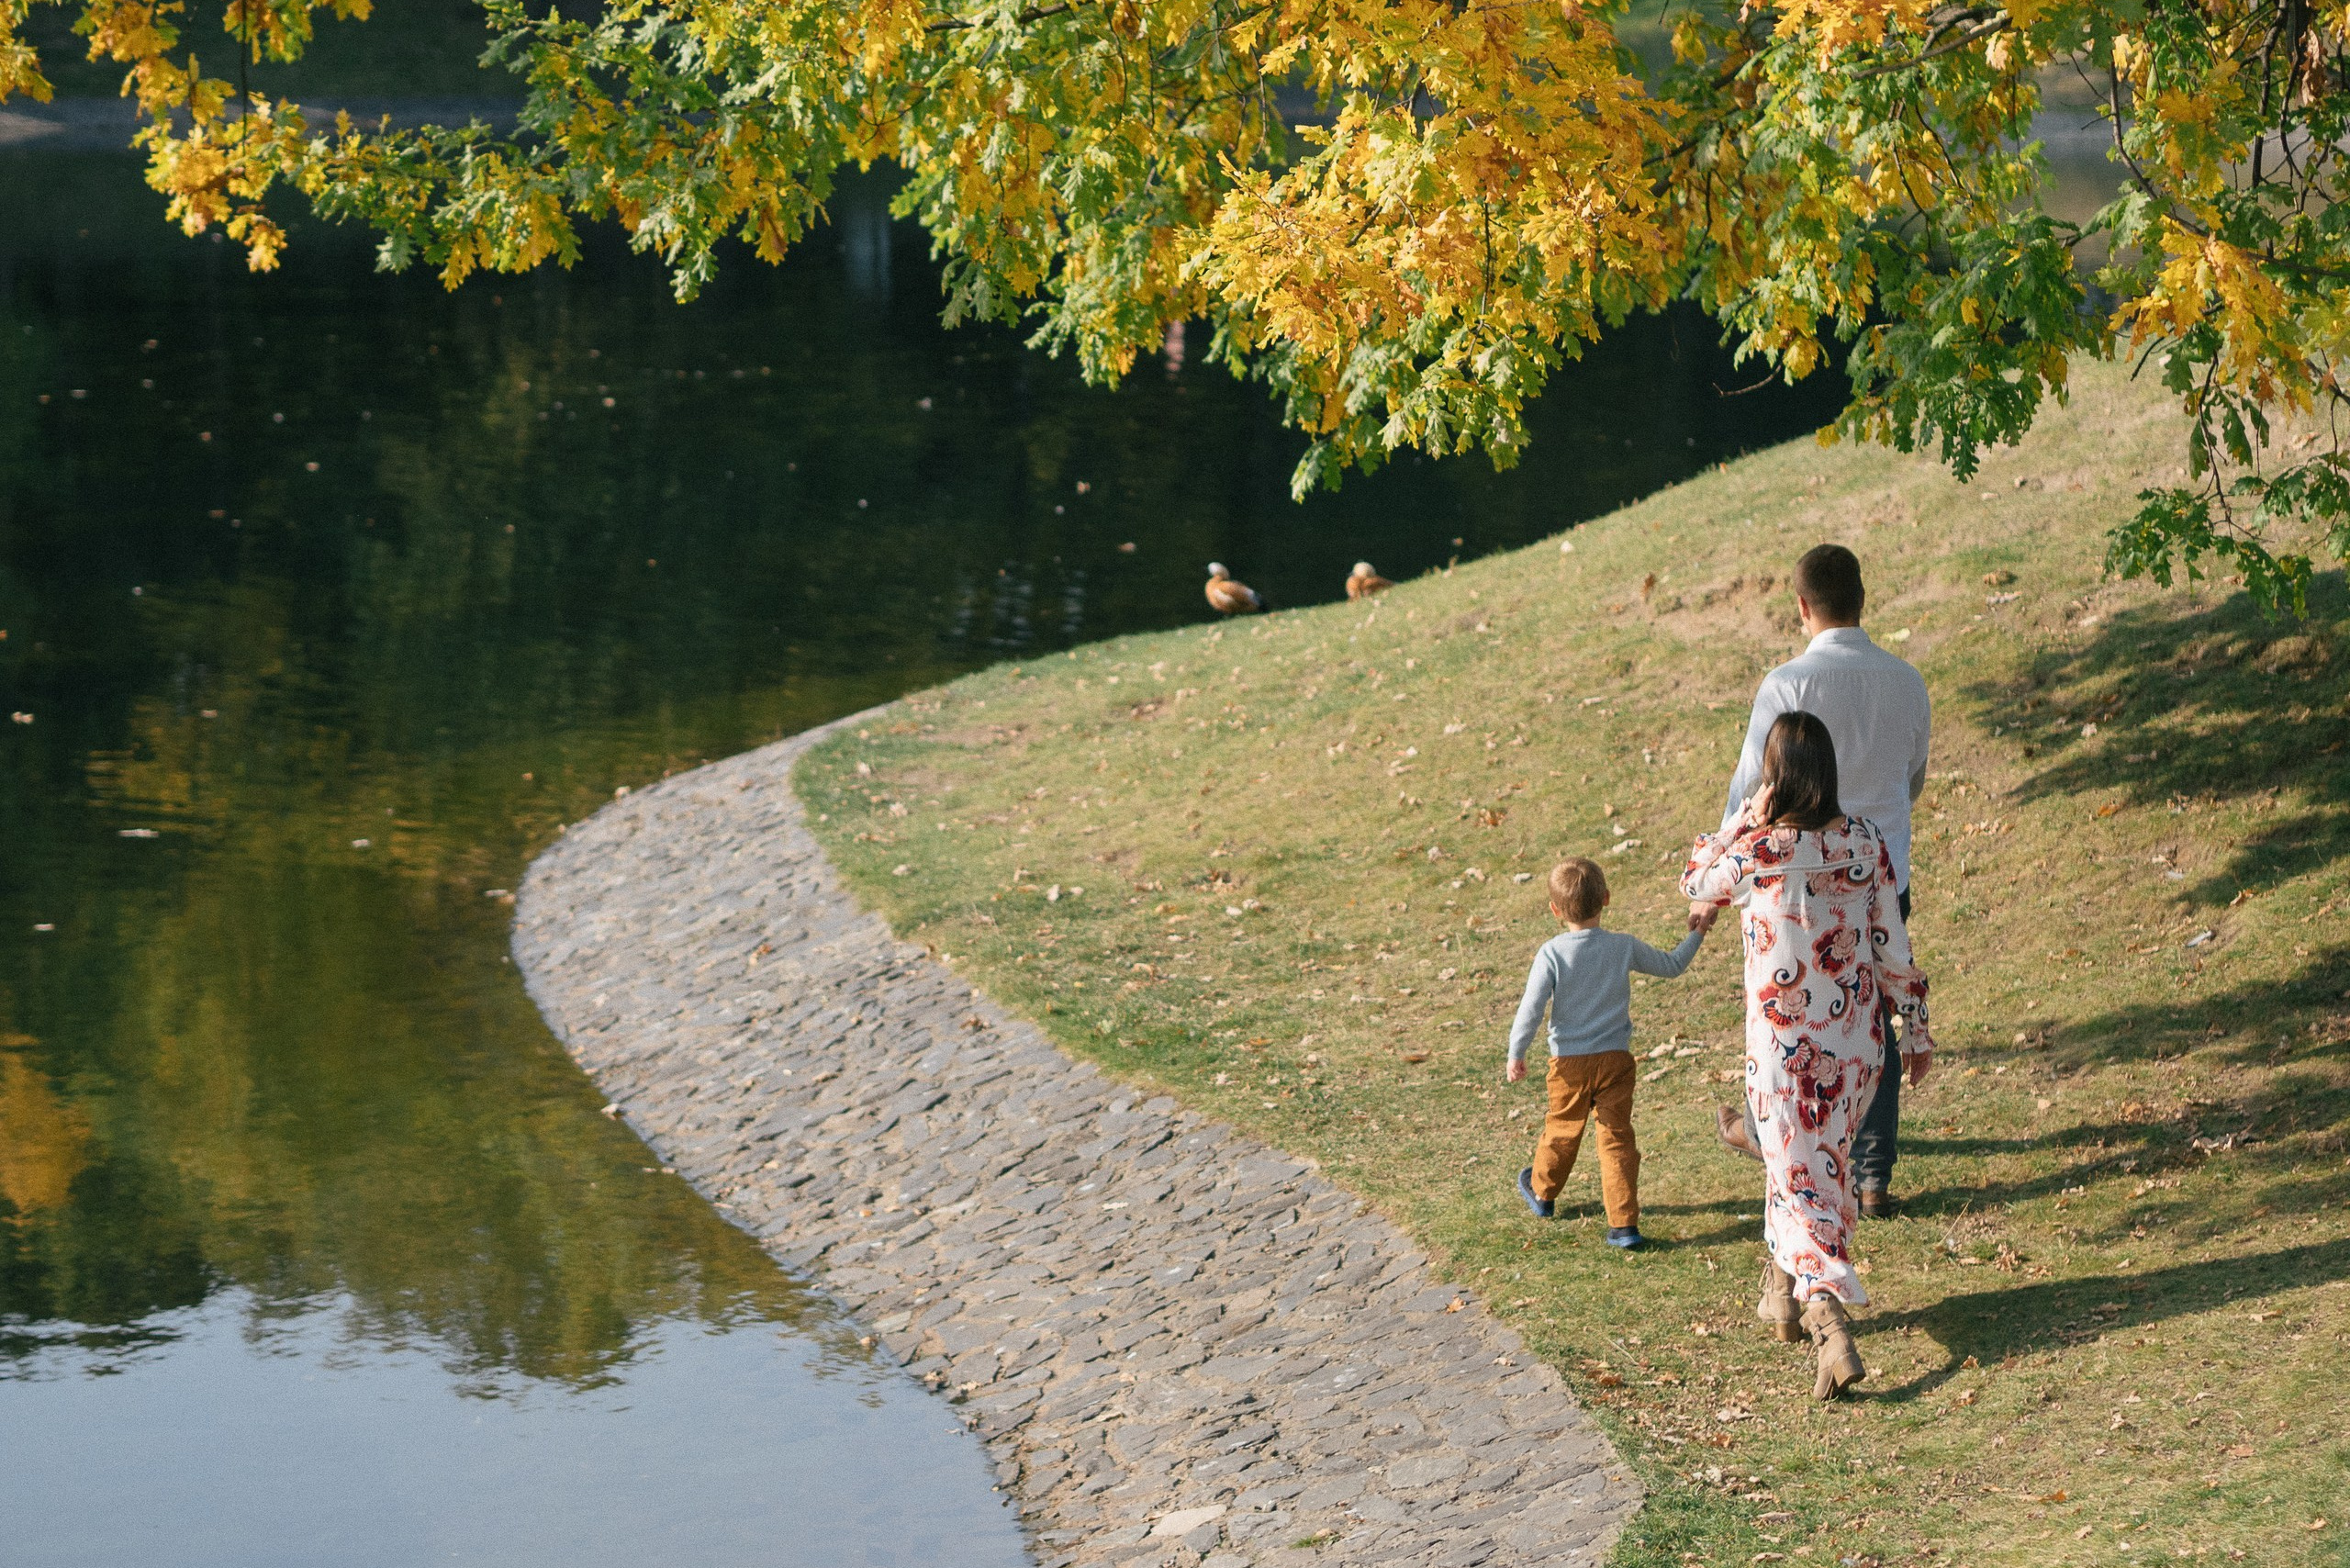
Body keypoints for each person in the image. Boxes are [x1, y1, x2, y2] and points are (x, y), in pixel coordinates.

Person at [1683, 711, 1932, 1399]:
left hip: (1788, 1053)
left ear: (1776, 776)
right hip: (1856, 1050)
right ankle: (1781, 1295)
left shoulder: (1763, 850)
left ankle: (1827, 1319)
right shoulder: (1865, 841)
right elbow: (1893, 945)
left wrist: (1742, 818)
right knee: (1809, 1169)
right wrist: (1916, 1027)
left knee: (1805, 1176)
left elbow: (1695, 881)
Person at [1710, 543, 1930, 1218]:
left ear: (1801, 606)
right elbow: (1913, 777)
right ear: (1863, 597)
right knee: (1873, 1009)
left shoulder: (1787, 685)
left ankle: (1784, 1137)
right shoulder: (1907, 680)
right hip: (1877, 867)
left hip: (1797, 877)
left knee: (1791, 1012)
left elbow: (1753, 786)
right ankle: (1871, 1172)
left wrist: (1726, 866)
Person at [1505, 857, 1717, 1249]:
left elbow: (1531, 1009)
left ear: (1554, 910)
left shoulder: (1551, 954)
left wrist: (1516, 1053)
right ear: (1606, 899)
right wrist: (1698, 933)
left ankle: (1543, 1192)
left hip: (1569, 1064)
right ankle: (1623, 1224)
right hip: (1616, 1060)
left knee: (1563, 1128)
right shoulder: (1622, 946)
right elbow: (1672, 966)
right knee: (1617, 1138)